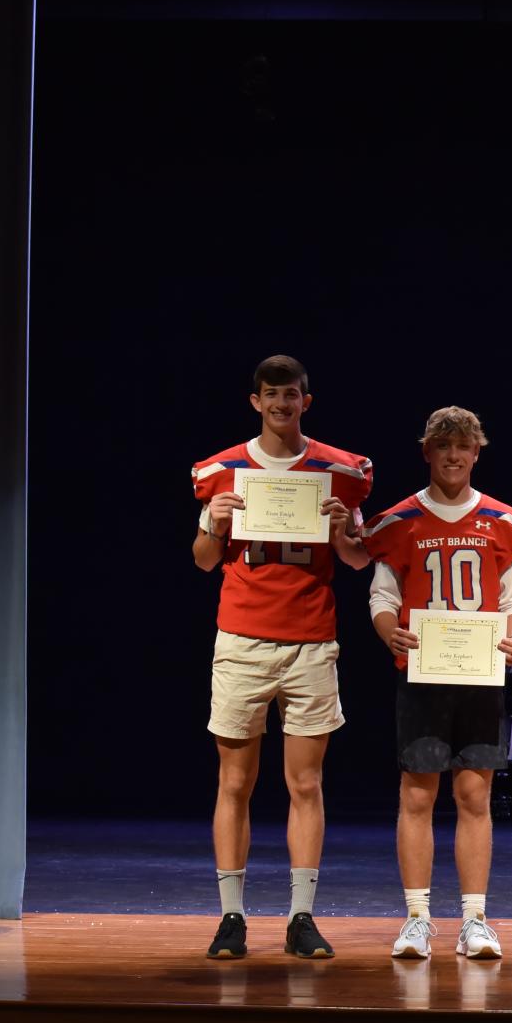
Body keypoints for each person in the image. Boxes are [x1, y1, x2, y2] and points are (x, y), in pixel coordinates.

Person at [190, 354, 372, 960]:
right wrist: (213, 526)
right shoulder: (222, 471)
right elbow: (203, 560)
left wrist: (347, 530)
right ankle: (232, 916)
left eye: (291, 395)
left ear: (305, 402)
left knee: (306, 782)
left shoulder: (341, 472)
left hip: (311, 640)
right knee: (235, 781)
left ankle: (301, 915)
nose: (281, 405)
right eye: (271, 395)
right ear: (255, 401)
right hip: (242, 638)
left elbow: (354, 560)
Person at [363, 407, 512, 961]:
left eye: (464, 446)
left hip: (479, 675)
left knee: (474, 793)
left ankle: (475, 919)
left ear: (477, 452)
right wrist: (390, 633)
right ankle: (417, 918)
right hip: (423, 675)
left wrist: (511, 640)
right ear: (428, 452)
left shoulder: (505, 523)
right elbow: (383, 596)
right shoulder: (399, 522)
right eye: (444, 447)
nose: (454, 456)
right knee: (418, 793)